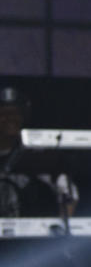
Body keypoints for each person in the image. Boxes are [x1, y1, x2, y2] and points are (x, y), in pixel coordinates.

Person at [0, 85, 79, 218]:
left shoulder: (37, 155)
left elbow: (69, 193)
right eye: (4, 114)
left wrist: (59, 231)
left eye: (16, 113)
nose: (10, 119)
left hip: (26, 233)